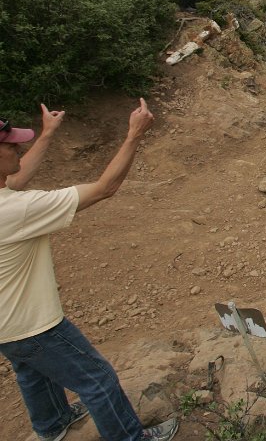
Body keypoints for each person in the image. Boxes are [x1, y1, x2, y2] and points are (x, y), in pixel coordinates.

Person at [0, 102, 179, 441]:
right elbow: (104, 188)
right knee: (97, 379)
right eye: (10, 145)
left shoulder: (5, 198)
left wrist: (48, 134)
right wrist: (134, 135)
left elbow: (16, 179)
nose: (18, 148)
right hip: (32, 324)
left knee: (32, 370)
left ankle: (53, 425)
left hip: (6, 326)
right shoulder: (14, 211)